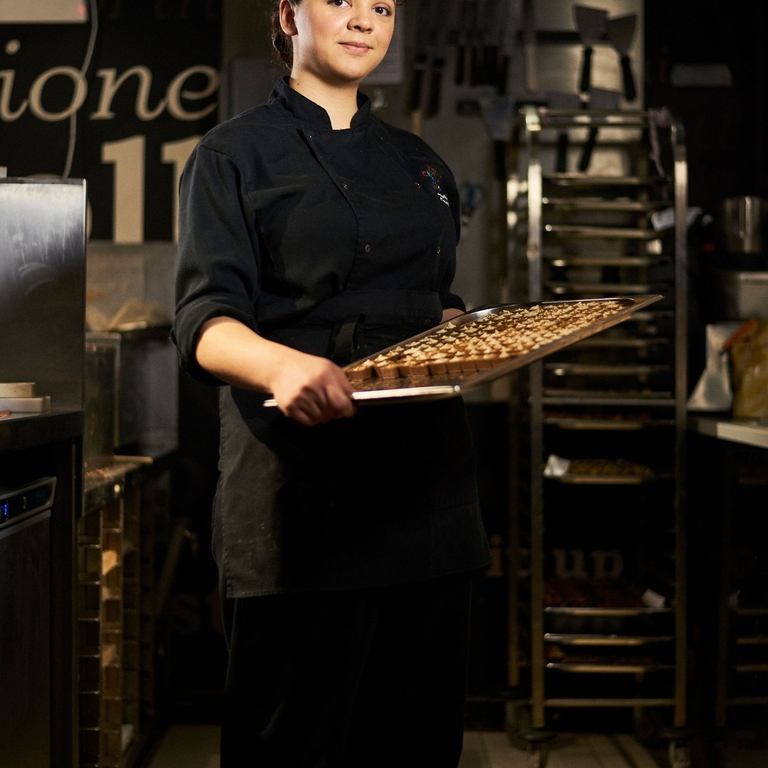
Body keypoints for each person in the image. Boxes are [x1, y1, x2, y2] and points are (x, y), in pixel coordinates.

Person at [171, 0, 490, 765]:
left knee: (414, 742)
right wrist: (283, 364)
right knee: (296, 742)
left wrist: (461, 334)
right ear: (288, 15)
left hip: (426, 494)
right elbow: (203, 319)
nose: (363, 20)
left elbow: (429, 301)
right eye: (342, 0)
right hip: (299, 493)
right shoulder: (231, 155)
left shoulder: (422, 164)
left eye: (381, 6)